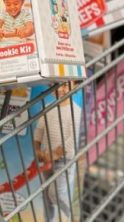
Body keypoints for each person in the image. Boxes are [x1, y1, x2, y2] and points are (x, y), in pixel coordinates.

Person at [34, 82, 81, 222]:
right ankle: (48, 220)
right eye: (57, 85)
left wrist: (55, 155)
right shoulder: (49, 108)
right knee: (45, 192)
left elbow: (72, 139)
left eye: (66, 85)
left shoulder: (75, 111)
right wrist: (37, 150)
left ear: (74, 88)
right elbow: (39, 130)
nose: (61, 89)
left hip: (64, 160)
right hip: (47, 159)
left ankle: (72, 215)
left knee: (55, 193)